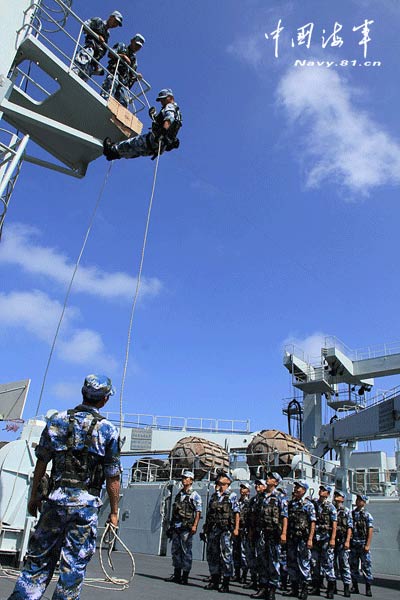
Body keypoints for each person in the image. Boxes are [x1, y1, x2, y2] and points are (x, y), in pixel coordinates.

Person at [8, 374, 122, 600]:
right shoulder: (108, 430)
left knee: (37, 562)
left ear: (82, 392)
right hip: (85, 508)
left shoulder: (57, 421)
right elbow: (113, 478)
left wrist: (34, 496)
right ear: (105, 399)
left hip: (55, 502)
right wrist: (114, 512)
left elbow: (41, 463)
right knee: (73, 567)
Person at [103, 88, 182, 160]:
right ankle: (115, 154)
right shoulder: (178, 114)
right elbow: (168, 125)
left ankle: (112, 149)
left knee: (133, 143)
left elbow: (169, 119)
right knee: (136, 151)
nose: (161, 102)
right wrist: (153, 115)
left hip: (154, 140)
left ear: (170, 98)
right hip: (158, 148)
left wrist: (162, 132)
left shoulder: (170, 106)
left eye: (163, 99)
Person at [251, 472, 288, 600]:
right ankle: (262, 587)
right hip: (261, 533)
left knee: (274, 562)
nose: (268, 479)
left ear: (276, 482)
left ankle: (272, 589)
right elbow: (254, 514)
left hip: (274, 533)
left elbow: (284, 517)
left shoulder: (280, 497)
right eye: (268, 477)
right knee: (261, 560)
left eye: (271, 478)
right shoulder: (260, 497)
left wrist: (284, 533)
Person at [203, 473, 240, 593]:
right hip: (213, 529)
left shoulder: (232, 496)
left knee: (226, 555)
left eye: (223, 478)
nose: (219, 479)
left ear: (228, 481)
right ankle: (214, 579)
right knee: (212, 554)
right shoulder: (214, 496)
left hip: (226, 530)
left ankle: (225, 582)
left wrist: (236, 529)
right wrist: (206, 529)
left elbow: (236, 513)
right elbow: (209, 513)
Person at [165, 470, 202, 585]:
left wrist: (195, 525)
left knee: (186, 551)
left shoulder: (195, 495)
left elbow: (198, 512)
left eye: (186, 478)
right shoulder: (179, 494)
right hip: (176, 527)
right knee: (176, 551)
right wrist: (171, 526)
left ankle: (184, 576)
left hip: (186, 528)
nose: (184, 480)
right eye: (183, 478)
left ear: (191, 481)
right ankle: (177, 574)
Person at [285, 481, 316, 600]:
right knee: (291, 563)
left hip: (303, 539)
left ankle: (304, 589)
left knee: (304, 564)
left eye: (299, 487)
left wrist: (310, 539)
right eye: (296, 487)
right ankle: (294, 588)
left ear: (304, 490)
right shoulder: (291, 504)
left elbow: (312, 523)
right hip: (292, 538)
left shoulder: (309, 505)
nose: (296, 489)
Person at [73, 12, 123, 81]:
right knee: (76, 69)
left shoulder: (107, 35)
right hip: (89, 50)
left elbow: (102, 51)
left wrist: (96, 65)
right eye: (115, 21)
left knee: (82, 79)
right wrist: (97, 36)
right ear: (111, 17)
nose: (115, 24)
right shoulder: (98, 22)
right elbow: (85, 25)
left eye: (117, 24)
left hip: (93, 61)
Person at [101, 34, 145, 108]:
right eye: (136, 44)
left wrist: (137, 77)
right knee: (110, 87)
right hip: (115, 73)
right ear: (132, 41)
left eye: (139, 46)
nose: (137, 47)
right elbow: (110, 54)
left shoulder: (134, 60)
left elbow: (132, 76)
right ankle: (104, 101)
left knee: (124, 100)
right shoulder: (122, 46)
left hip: (124, 81)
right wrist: (122, 56)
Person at [310, 485, 337, 599]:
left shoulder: (331, 507)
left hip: (325, 538)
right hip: (316, 539)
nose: (321, 491)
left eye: (324, 490)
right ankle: (316, 587)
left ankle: (330, 589)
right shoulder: (314, 505)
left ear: (328, 494)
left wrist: (332, 539)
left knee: (328, 563)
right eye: (320, 489)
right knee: (315, 563)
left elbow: (334, 525)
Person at [244, 479, 267, 592]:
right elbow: (249, 516)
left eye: (260, 484)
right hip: (251, 532)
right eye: (256, 484)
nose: (257, 486)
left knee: (261, 559)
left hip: (261, 532)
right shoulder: (253, 500)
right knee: (251, 557)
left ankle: (262, 583)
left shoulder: (265, 500)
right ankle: (253, 580)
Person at [350, 495, 374, 597]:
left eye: (360, 500)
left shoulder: (367, 515)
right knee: (353, 566)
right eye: (357, 499)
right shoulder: (352, 514)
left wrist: (368, 544)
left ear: (364, 502)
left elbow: (370, 530)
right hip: (354, 544)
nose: (358, 501)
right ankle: (355, 586)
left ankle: (368, 588)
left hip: (363, 543)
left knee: (366, 566)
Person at [333, 490, 353, 598]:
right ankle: (333, 586)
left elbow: (349, 527)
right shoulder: (332, 509)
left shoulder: (346, 511)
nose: (336, 497)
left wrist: (347, 541)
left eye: (339, 495)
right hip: (333, 541)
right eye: (336, 495)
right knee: (332, 564)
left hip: (342, 540)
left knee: (344, 565)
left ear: (343, 498)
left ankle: (346, 587)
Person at [232, 482, 251, 583]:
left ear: (248, 491)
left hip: (245, 529)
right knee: (235, 552)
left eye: (244, 488)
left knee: (244, 552)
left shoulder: (249, 503)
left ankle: (244, 575)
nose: (242, 490)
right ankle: (237, 573)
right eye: (241, 488)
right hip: (237, 529)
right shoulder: (237, 502)